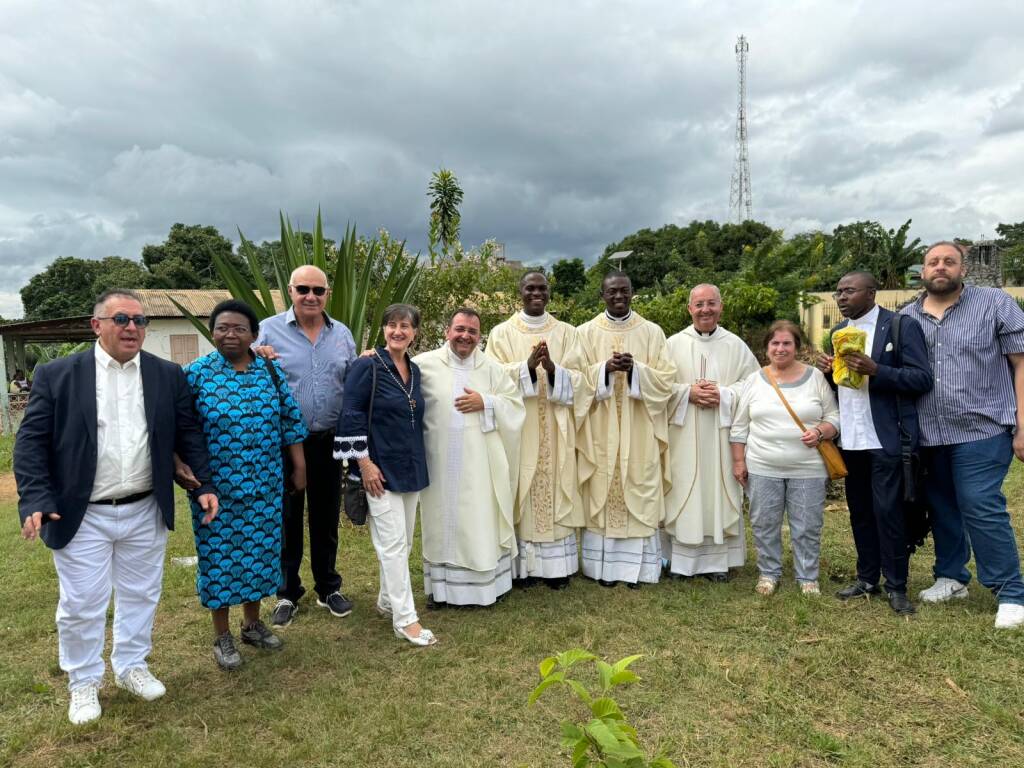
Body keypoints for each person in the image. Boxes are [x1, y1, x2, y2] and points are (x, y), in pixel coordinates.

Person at [14, 289, 217, 725]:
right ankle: (83, 680)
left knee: (141, 593)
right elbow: (30, 443)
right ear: (97, 325)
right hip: (81, 512)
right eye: (121, 319)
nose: (132, 328)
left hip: (145, 506)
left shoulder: (166, 375)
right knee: (82, 602)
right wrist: (35, 496)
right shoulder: (58, 375)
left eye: (140, 321)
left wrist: (204, 482)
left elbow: (188, 433)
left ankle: (131, 666)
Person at [178, 300, 308, 669]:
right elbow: (181, 427)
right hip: (215, 488)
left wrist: (299, 466)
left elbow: (289, 418)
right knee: (219, 558)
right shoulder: (197, 374)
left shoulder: (269, 370)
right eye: (222, 328)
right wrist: (182, 468)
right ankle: (222, 636)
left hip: (266, 483)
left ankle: (252, 624)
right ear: (212, 332)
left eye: (238, 328)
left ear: (254, 334)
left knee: (261, 554)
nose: (230, 334)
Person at [900, 242, 1024, 628]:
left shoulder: (994, 304)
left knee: (979, 504)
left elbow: (1021, 364)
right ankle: (951, 577)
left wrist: (1023, 424)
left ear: (962, 269)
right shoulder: (906, 317)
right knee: (941, 507)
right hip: (929, 433)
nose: (941, 267)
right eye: (933, 262)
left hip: (982, 427)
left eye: (949, 262)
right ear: (922, 271)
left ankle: (1011, 592)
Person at [816, 272, 932, 616]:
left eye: (849, 290)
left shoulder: (900, 326)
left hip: (885, 438)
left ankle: (897, 585)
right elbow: (844, 388)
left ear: (871, 292)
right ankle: (867, 578)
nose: (841, 297)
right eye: (838, 292)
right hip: (851, 440)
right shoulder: (837, 334)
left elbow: (922, 379)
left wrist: (877, 369)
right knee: (862, 512)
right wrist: (829, 373)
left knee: (889, 512)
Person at [255, 265, 357, 628]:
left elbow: (352, 384)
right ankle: (287, 591)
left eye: (318, 290)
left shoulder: (342, 334)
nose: (311, 296)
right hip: (285, 445)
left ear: (327, 293)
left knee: (327, 517)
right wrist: (258, 357)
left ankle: (328, 586)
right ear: (290, 291)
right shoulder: (267, 331)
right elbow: (247, 378)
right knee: (287, 518)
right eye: (303, 289)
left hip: (329, 442)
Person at [335, 304, 436, 645]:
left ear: (414, 333)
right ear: (383, 330)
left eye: (405, 326)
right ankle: (405, 620)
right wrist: (363, 464)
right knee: (392, 546)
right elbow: (350, 415)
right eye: (391, 325)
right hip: (378, 469)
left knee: (403, 543)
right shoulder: (367, 366)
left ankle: (385, 600)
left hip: (411, 466)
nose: (398, 331)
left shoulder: (415, 369)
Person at [485, 272, 591, 589]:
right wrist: (527, 368)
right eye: (530, 288)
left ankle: (557, 569)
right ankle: (523, 570)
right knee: (521, 490)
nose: (536, 293)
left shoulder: (568, 333)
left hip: (556, 430)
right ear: (520, 292)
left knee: (558, 489)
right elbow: (491, 378)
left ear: (549, 293)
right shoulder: (501, 333)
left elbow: (583, 380)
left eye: (542, 288)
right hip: (519, 429)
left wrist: (555, 370)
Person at [414, 307, 525, 607]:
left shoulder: (492, 369)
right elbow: (394, 382)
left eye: (472, 332)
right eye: (460, 329)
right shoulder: (423, 365)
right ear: (447, 332)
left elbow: (515, 407)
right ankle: (441, 591)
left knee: (478, 522)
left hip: (479, 465)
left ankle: (483, 589)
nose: (465, 336)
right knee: (440, 522)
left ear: (480, 336)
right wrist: (374, 357)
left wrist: (486, 402)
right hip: (437, 463)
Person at [576, 271, 677, 588]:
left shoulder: (652, 332)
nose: (618, 297)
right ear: (602, 295)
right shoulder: (585, 332)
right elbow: (575, 381)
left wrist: (638, 371)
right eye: (612, 292)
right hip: (600, 425)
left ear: (633, 293)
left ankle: (638, 572)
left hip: (640, 426)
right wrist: (603, 370)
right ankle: (603, 570)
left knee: (640, 484)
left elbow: (667, 380)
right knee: (602, 488)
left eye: (624, 291)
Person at [730, 320, 839, 596]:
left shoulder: (815, 377)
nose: (780, 349)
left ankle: (807, 576)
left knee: (807, 525)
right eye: (775, 343)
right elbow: (740, 427)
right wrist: (739, 462)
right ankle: (768, 573)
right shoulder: (754, 380)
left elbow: (835, 418)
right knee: (764, 522)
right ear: (766, 348)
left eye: (786, 343)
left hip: (808, 467)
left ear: (797, 347)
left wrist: (820, 431)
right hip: (763, 465)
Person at [663, 284, 759, 582]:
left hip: (721, 435)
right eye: (699, 304)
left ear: (721, 307)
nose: (706, 309)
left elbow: (754, 385)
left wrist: (723, 394)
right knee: (683, 492)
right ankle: (681, 564)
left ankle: (717, 565)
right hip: (683, 435)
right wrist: (686, 392)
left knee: (718, 491)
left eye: (712, 303)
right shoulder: (672, 344)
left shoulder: (736, 345)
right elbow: (659, 385)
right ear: (689, 308)